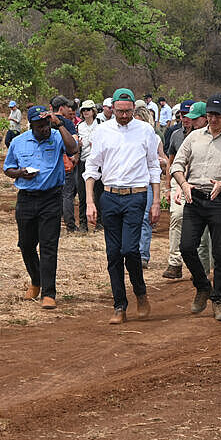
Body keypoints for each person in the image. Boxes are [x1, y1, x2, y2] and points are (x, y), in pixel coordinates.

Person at [84, 88, 162, 324]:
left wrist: (156, 201)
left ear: (134, 109)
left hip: (136, 196)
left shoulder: (146, 131)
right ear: (112, 108)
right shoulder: (102, 132)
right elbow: (91, 168)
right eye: (120, 111)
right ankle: (119, 305)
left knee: (130, 249)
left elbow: (154, 167)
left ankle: (140, 292)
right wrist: (89, 201)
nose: (124, 115)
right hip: (109, 196)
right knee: (113, 253)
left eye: (128, 111)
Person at [170, 93, 221, 322]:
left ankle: (219, 300)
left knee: (220, 252)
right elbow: (177, 164)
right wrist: (183, 184)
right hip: (195, 197)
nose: (213, 119)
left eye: (217, 115)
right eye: (209, 114)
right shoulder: (193, 137)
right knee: (186, 246)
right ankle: (203, 285)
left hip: (220, 199)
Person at [3, 105, 78, 309]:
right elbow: (7, 168)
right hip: (26, 198)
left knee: (48, 246)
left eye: (46, 124)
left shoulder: (57, 136)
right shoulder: (18, 142)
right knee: (26, 245)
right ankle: (36, 281)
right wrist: (20, 173)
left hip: (51, 198)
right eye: (40, 125)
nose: (44, 128)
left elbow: (73, 149)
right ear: (32, 125)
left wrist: (60, 125)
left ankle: (49, 292)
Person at [162, 101, 213, 279]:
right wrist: (169, 187)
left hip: (201, 183)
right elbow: (171, 162)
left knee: (203, 228)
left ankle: (200, 267)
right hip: (180, 181)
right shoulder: (176, 135)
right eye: (182, 116)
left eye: (188, 116)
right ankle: (175, 263)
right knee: (176, 217)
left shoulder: (209, 137)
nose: (185, 119)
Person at [133, 104, 168, 268]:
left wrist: (159, 162)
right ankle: (132, 252)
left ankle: (142, 255)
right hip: (132, 182)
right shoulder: (129, 137)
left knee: (145, 219)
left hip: (147, 182)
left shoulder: (155, 138)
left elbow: (164, 160)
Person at [50, 95, 81, 232]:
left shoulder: (46, 121)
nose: (69, 110)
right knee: (67, 195)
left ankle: (53, 224)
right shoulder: (66, 123)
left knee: (52, 194)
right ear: (61, 108)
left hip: (50, 164)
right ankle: (70, 225)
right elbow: (74, 143)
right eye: (67, 107)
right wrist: (75, 156)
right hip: (65, 163)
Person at [75, 99, 100, 231]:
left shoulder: (101, 125)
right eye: (83, 110)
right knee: (83, 193)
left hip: (98, 163)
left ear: (93, 111)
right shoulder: (79, 126)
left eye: (88, 110)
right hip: (83, 162)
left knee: (99, 193)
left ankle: (99, 222)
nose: (85, 112)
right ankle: (83, 224)